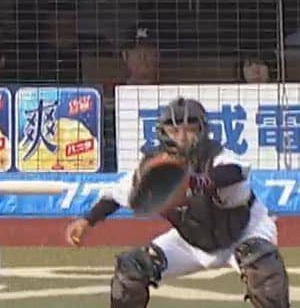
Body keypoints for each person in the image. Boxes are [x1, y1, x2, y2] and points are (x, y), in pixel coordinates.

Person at [64, 97, 289, 308]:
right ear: (163, 134)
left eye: (190, 129)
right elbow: (116, 195)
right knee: (132, 269)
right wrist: (87, 221)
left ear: (202, 130)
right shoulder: (155, 171)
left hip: (245, 231)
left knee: (262, 266)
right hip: (190, 241)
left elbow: (233, 172)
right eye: (174, 130)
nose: (182, 137)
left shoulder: (217, 156)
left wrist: (193, 183)